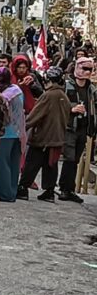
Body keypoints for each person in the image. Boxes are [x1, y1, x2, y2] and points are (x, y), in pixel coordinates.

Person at [18, 67, 72, 200]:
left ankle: (23, 188)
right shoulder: (63, 96)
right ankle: (49, 191)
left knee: (32, 163)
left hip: (43, 136)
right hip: (57, 137)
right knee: (51, 165)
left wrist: (22, 127)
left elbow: (36, 115)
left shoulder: (48, 95)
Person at [54, 57, 95, 203]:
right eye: (84, 68)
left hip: (84, 128)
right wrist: (71, 108)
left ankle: (69, 189)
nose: (87, 72)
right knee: (69, 158)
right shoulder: (66, 85)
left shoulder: (91, 89)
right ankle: (64, 189)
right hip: (70, 127)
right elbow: (59, 103)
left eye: (90, 69)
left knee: (76, 159)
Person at [0, 66, 26, 203]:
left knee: (1, 164)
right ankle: (11, 192)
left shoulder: (5, 95)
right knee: (13, 164)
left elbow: (1, 104)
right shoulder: (18, 90)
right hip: (18, 133)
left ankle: (4, 194)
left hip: (5, 133)